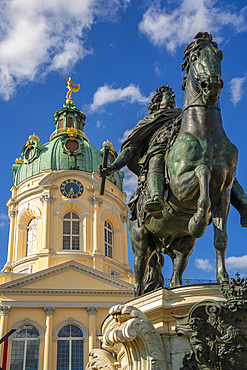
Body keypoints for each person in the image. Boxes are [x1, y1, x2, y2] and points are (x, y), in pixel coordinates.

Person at [99, 85, 181, 218]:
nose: (172, 98)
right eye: (168, 96)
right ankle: (156, 197)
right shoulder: (148, 122)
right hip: (158, 150)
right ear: (159, 101)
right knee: (156, 159)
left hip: (180, 150)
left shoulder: (182, 115)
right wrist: (113, 167)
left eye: (173, 97)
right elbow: (131, 148)